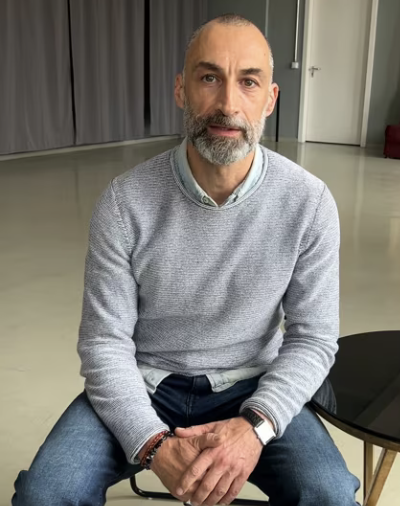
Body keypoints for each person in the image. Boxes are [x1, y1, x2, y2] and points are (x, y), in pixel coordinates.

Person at [12, 14, 360, 506]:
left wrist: (254, 428)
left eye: (248, 82)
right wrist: (153, 444)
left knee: (330, 495)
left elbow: (314, 339)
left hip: (254, 385)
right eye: (209, 77)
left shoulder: (309, 203)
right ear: (181, 89)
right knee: (44, 495)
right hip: (145, 382)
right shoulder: (125, 202)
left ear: (270, 99)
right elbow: (104, 342)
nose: (228, 104)